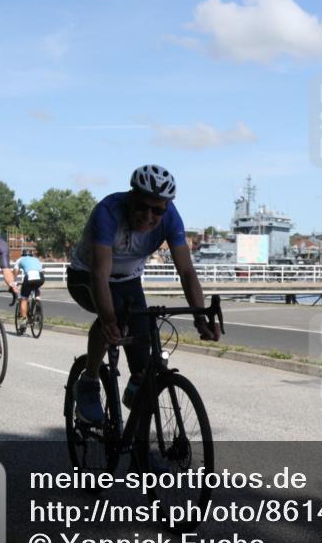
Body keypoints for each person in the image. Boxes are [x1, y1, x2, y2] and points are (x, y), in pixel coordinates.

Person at [67, 164, 220, 424]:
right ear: (131, 198)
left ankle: (141, 448)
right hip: (87, 275)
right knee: (111, 317)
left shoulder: (171, 218)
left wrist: (200, 318)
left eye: (157, 209)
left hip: (128, 279)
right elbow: (100, 274)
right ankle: (90, 381)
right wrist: (108, 321)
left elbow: (187, 271)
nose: (148, 215)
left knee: (143, 368)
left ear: (166, 208)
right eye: (142, 206)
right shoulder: (108, 212)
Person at [13, 249, 45, 329]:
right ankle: (37, 299)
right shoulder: (36, 259)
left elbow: (15, 272)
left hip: (29, 277)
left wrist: (14, 282)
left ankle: (24, 320)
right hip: (40, 277)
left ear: (22, 254)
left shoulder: (20, 260)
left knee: (24, 299)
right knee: (36, 287)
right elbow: (41, 271)